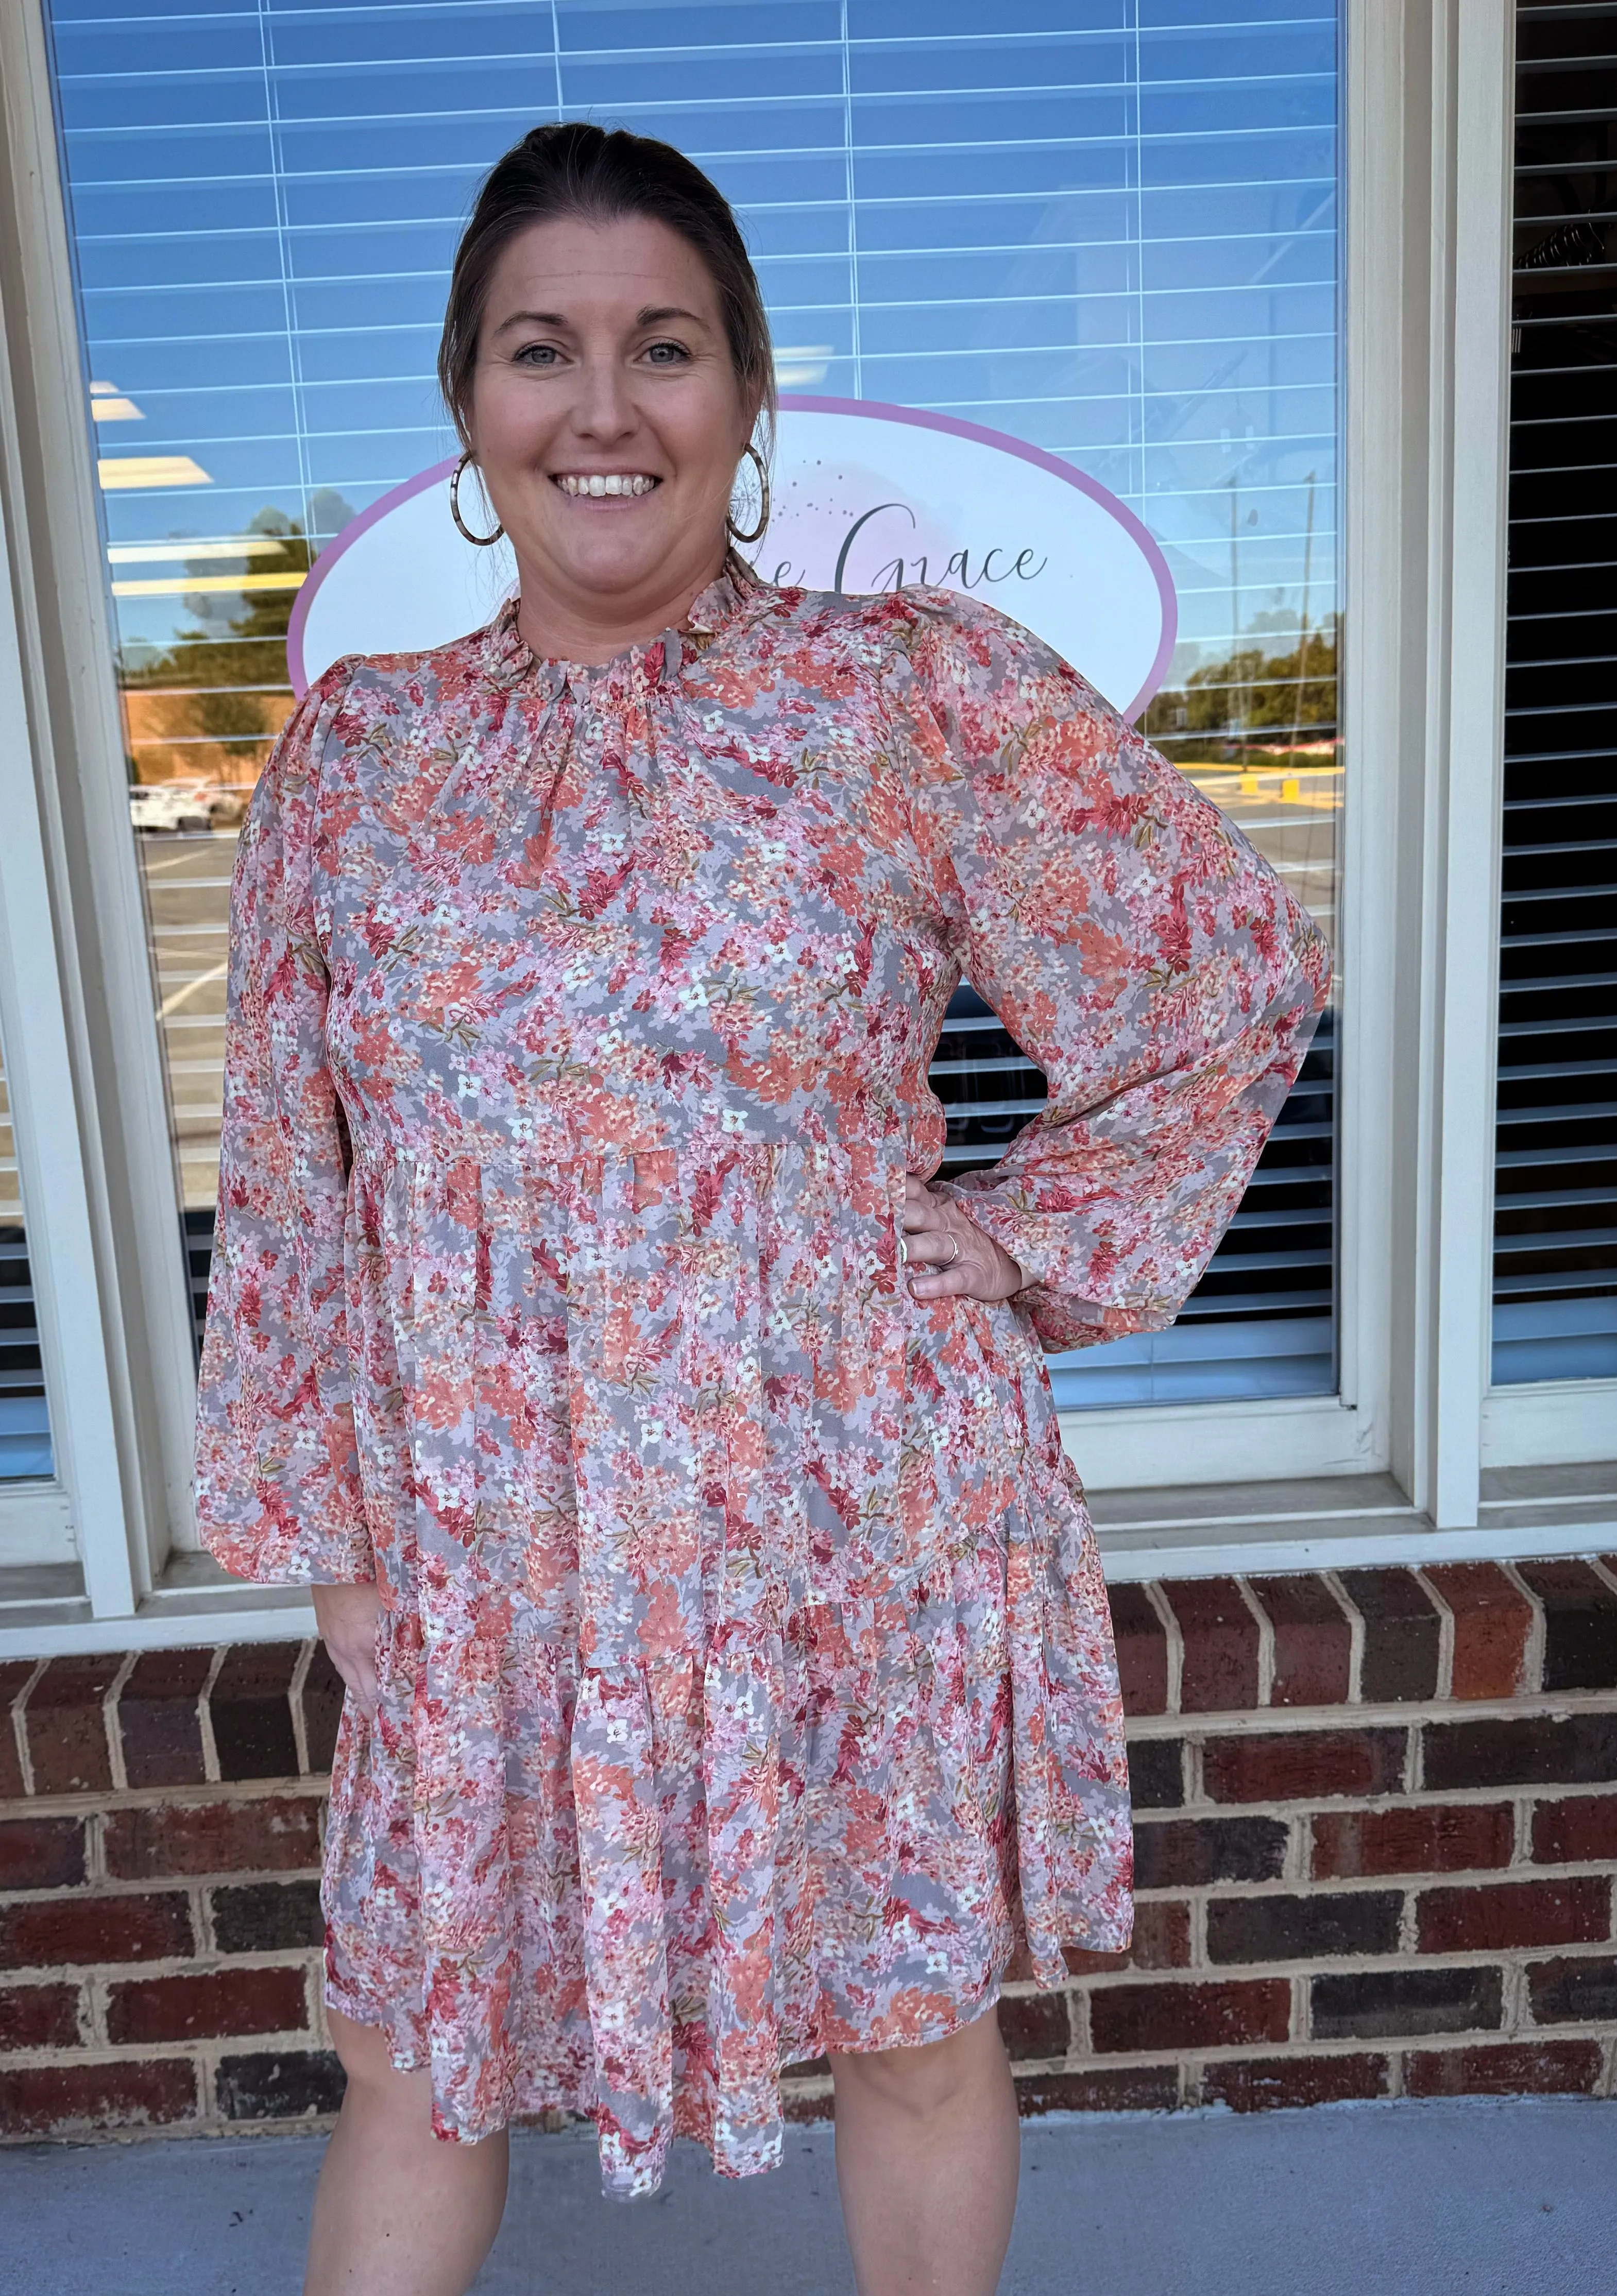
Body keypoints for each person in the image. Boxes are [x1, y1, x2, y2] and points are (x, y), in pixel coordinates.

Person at [195, 119, 1329, 2296]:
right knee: (414, 2049)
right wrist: (337, 1522)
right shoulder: (355, 757)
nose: (601, 408)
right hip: (486, 1519)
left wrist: (1020, 1231)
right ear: (465, 403)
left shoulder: (900, 696)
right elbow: (287, 1173)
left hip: (846, 1499)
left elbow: (1217, 972)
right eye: (543, 349)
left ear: (745, 392)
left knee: (906, 2029)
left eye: (664, 348)